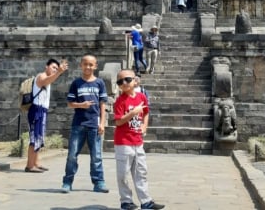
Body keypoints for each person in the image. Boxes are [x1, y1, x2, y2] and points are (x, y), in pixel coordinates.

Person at [113, 69, 165, 210]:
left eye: (127, 79)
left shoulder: (141, 96)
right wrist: (133, 113)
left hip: (137, 141)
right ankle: (126, 201)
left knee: (141, 172)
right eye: (120, 81)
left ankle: (146, 201)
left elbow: (146, 112)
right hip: (123, 142)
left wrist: (144, 125)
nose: (124, 83)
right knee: (123, 174)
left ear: (135, 80)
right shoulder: (119, 101)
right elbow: (118, 122)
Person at [61, 54, 110, 193]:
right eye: (85, 64)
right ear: (81, 65)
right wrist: (81, 105)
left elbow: (102, 104)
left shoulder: (99, 83)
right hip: (79, 124)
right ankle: (67, 182)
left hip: (94, 124)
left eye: (91, 64)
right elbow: (70, 104)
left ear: (95, 66)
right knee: (72, 155)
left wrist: (102, 123)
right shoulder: (76, 83)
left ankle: (99, 182)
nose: (88, 67)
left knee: (96, 156)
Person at [25, 58, 69, 173]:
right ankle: (29, 165)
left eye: (56, 68)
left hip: (42, 110)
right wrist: (59, 72)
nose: (55, 69)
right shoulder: (41, 77)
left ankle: (36, 163)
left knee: (39, 137)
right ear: (46, 66)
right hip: (36, 110)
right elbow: (46, 81)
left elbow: (50, 80)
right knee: (34, 138)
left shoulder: (49, 79)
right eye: (53, 67)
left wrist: (58, 71)